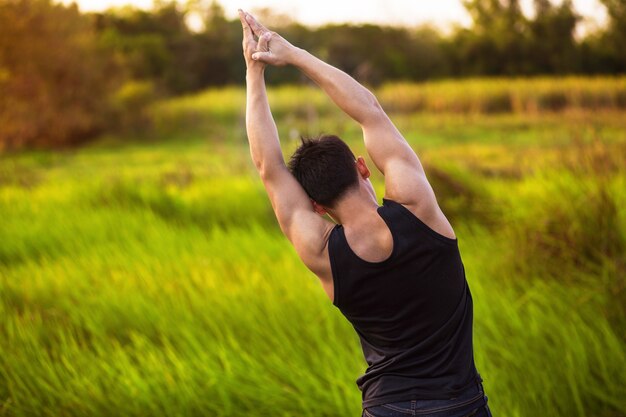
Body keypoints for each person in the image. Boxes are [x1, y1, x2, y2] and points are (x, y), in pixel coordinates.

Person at [238, 9, 492, 417]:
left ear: (317, 207)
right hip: (459, 404)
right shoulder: (418, 208)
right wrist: (296, 55)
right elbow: (369, 111)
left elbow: (269, 169)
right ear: (362, 166)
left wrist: (254, 73)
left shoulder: (322, 253)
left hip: (385, 408)